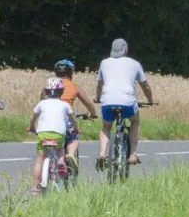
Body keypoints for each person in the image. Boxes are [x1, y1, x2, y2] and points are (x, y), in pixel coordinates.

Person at [95, 38, 153, 169]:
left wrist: (98, 98)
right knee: (135, 122)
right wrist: (150, 100)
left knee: (106, 127)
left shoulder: (104, 63)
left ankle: (102, 153)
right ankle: (132, 154)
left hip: (107, 101)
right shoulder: (135, 64)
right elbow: (146, 86)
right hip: (127, 103)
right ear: (126, 50)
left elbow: (99, 84)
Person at [43, 59, 98, 174]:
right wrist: (93, 114)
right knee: (73, 136)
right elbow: (88, 103)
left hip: (48, 119)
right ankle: (71, 155)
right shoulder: (74, 87)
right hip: (66, 118)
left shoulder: (48, 86)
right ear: (71, 72)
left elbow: (42, 101)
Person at [29, 77, 78, 195]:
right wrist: (76, 128)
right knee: (60, 149)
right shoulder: (65, 104)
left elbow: (33, 117)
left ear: (46, 91)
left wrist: (31, 127)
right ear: (61, 91)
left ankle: (35, 188)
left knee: (39, 160)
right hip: (58, 134)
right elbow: (72, 118)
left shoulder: (41, 103)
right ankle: (61, 160)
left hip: (43, 133)